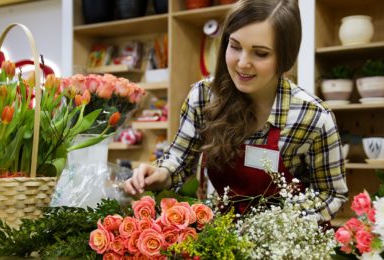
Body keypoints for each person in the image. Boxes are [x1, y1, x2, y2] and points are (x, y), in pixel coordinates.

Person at [122, 0, 348, 222]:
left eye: (260, 53)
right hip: (224, 236)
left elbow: (331, 194)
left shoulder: (313, 118)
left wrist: (279, 224)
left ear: (285, 57)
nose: (242, 63)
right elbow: (179, 159)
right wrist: (160, 174)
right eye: (235, 46)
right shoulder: (204, 97)